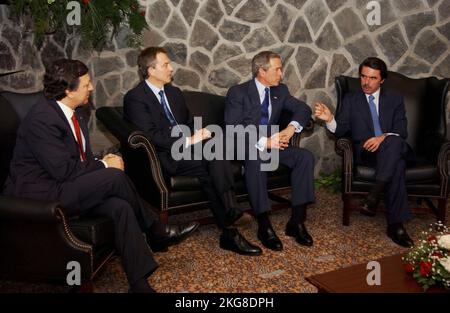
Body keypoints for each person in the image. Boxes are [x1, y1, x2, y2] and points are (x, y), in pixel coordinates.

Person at [2, 59, 199, 293]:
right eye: (86, 84)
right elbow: (63, 170)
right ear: (68, 90)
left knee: (120, 207)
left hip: (63, 184)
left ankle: (139, 283)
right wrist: (105, 164)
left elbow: (79, 161)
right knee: (113, 177)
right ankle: (156, 229)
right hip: (40, 195)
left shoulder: (75, 114)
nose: (92, 88)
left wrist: (100, 162)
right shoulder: (42, 120)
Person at [123, 47, 262, 256]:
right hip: (163, 156)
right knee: (211, 166)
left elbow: (187, 122)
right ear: (150, 70)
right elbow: (151, 136)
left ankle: (230, 229)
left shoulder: (174, 93)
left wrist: (199, 135)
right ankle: (230, 217)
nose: (172, 68)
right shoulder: (135, 98)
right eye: (166, 65)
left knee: (215, 152)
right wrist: (188, 140)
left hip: (189, 150)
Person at [314, 56, 414, 248]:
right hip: (367, 154)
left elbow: (402, 131)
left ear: (382, 80)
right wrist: (329, 119)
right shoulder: (352, 100)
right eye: (363, 76)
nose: (366, 82)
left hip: (391, 148)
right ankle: (394, 223)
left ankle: (379, 202)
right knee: (397, 161)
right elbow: (341, 130)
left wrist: (382, 137)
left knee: (394, 145)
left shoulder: (394, 99)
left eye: (372, 78)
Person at [224, 51, 315, 251]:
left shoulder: (280, 91)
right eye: (277, 69)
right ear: (261, 71)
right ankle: (264, 225)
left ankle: (297, 222)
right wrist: (263, 142)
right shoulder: (238, 93)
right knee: (255, 157)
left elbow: (303, 109)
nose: (281, 74)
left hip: (274, 144)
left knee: (304, 157)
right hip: (247, 146)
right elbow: (232, 128)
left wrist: (290, 128)